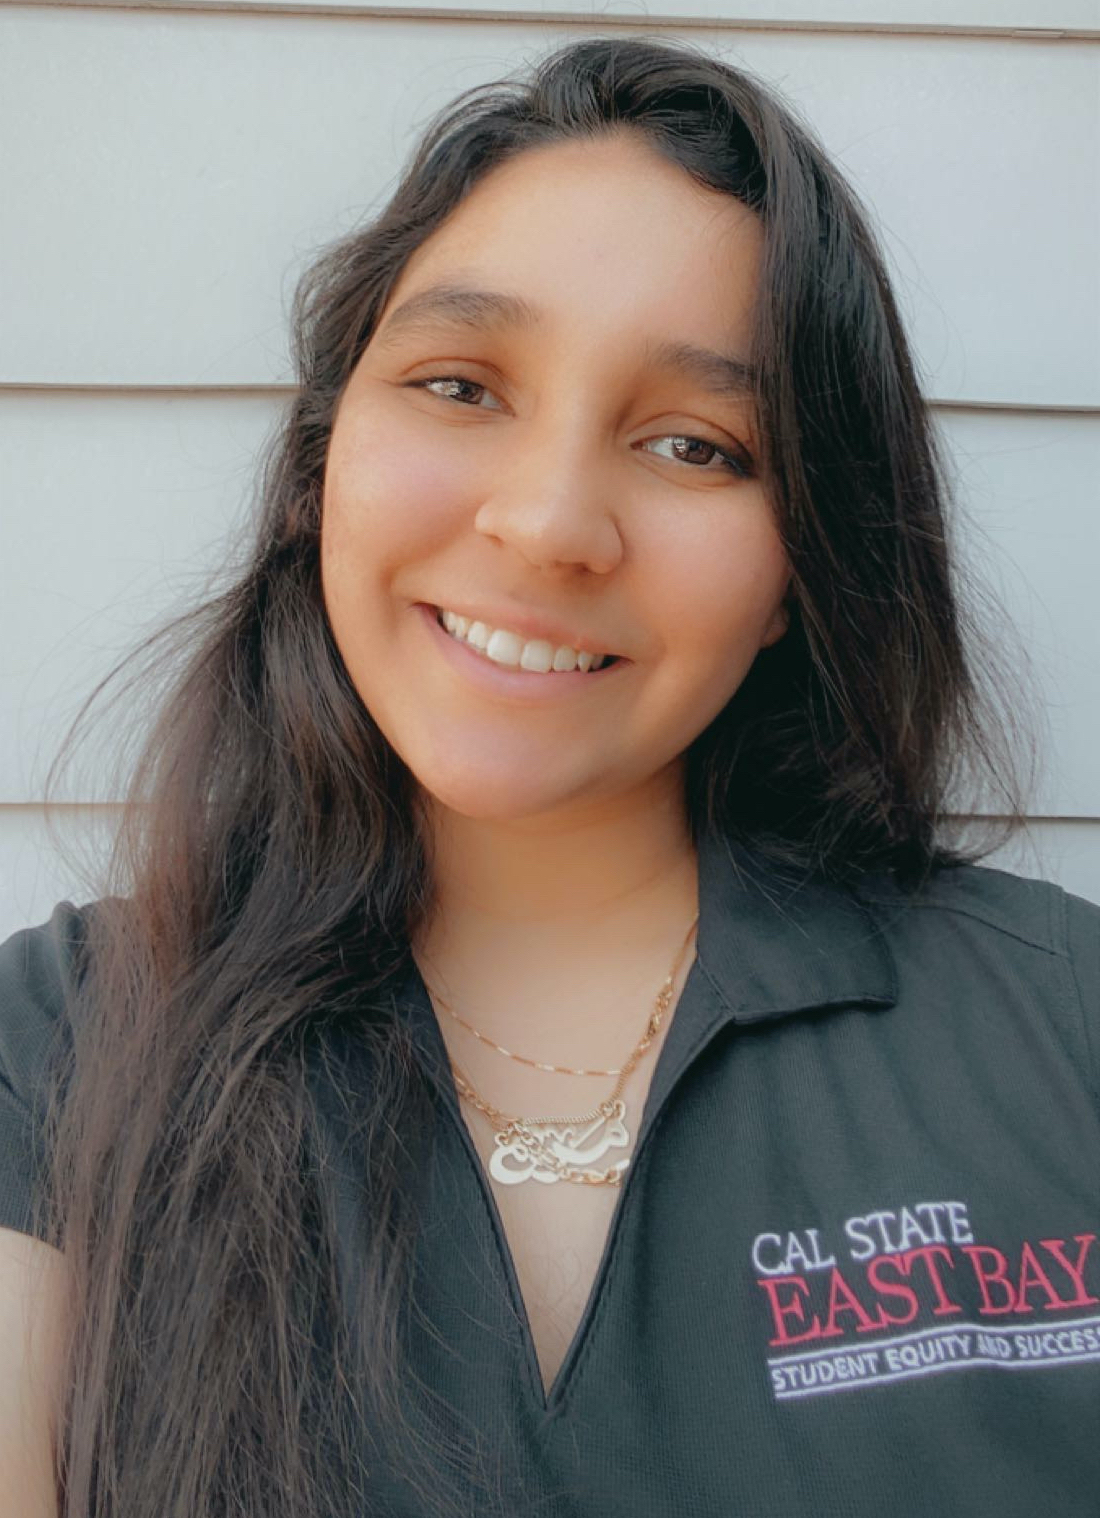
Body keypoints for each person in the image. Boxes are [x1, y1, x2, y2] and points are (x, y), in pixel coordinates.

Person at [0, 33, 1096, 1518]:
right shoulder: (52, 1053)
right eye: (461, 384)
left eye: (696, 445)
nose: (550, 522)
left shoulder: (1062, 1024)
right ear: (325, 462)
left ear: (798, 565)